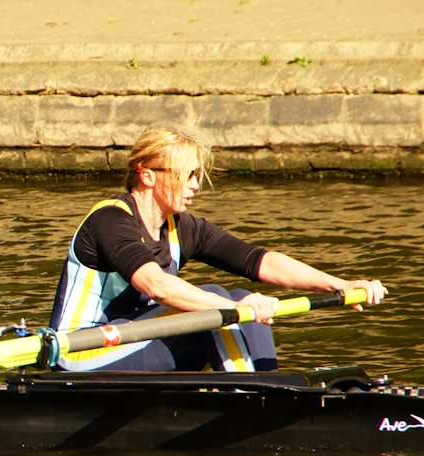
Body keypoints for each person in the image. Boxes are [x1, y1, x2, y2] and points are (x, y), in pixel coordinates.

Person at [48, 123, 387, 372]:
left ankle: (263, 386)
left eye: (198, 175)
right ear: (147, 175)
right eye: (187, 174)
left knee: (239, 292)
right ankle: (253, 398)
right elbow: (157, 286)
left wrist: (339, 284)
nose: (196, 185)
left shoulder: (181, 226)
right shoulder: (110, 220)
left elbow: (259, 261)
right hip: (83, 353)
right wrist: (234, 307)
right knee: (220, 297)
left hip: (134, 343)